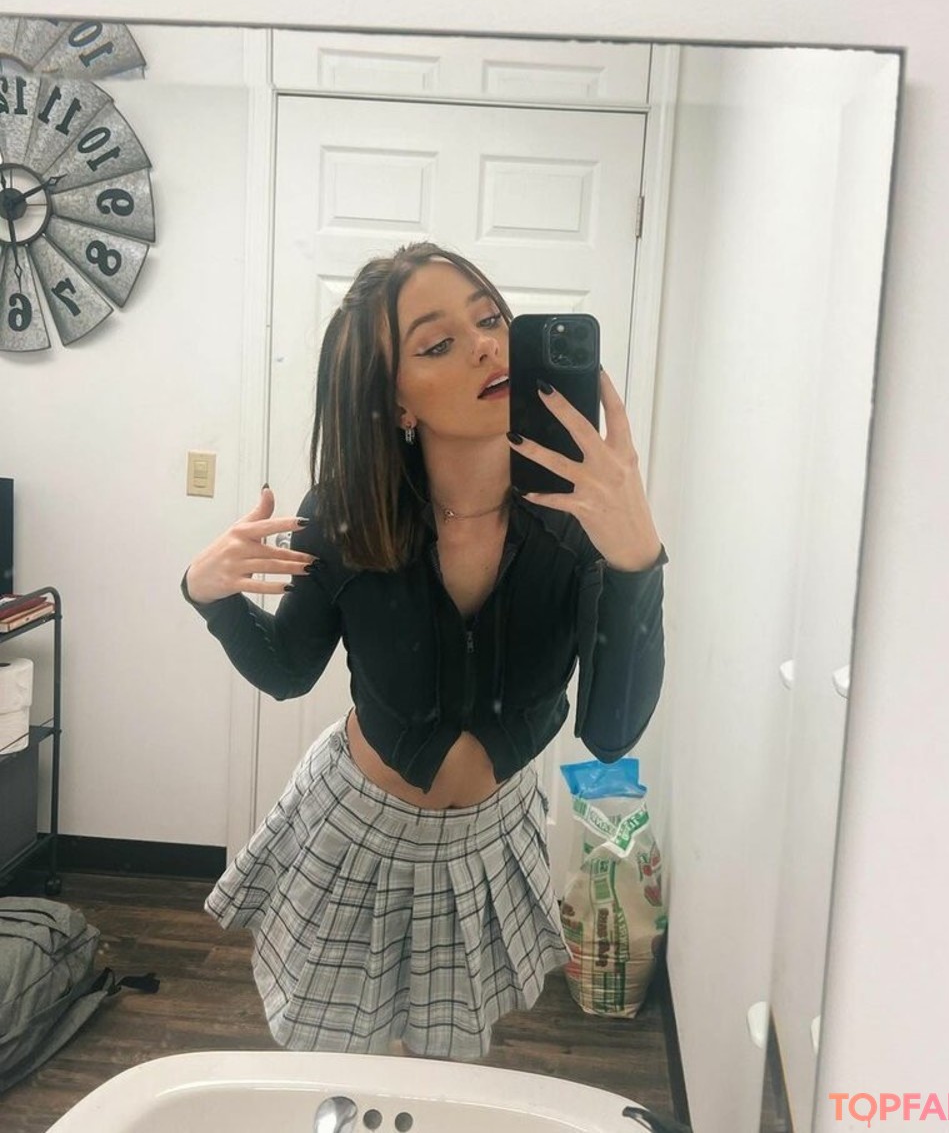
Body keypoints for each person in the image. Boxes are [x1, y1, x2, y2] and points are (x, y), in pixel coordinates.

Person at [181, 241, 667, 1060]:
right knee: (334, 1063)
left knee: (449, 1069)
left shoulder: (580, 522)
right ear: (396, 400)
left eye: (492, 319)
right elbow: (287, 671)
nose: (486, 346)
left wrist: (636, 559)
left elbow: (612, 733)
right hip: (354, 832)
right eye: (439, 343)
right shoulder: (347, 510)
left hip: (489, 840)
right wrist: (209, 594)